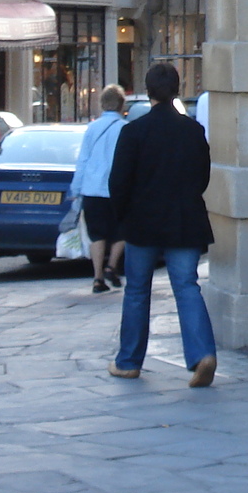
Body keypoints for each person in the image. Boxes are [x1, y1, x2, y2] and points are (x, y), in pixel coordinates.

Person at [106, 63, 217, 387]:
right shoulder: (192, 130)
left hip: (143, 223)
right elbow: (203, 177)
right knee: (187, 287)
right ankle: (202, 355)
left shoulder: (134, 132)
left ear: (148, 90)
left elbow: (118, 183)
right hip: (184, 220)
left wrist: (123, 218)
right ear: (178, 89)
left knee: (138, 291)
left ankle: (128, 362)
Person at [69, 84, 128, 293]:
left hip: (92, 189)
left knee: (97, 234)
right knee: (122, 231)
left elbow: (83, 160)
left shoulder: (92, 128)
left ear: (102, 104)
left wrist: (75, 190)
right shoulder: (125, 128)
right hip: (116, 190)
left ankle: (97, 277)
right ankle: (112, 265)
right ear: (122, 105)